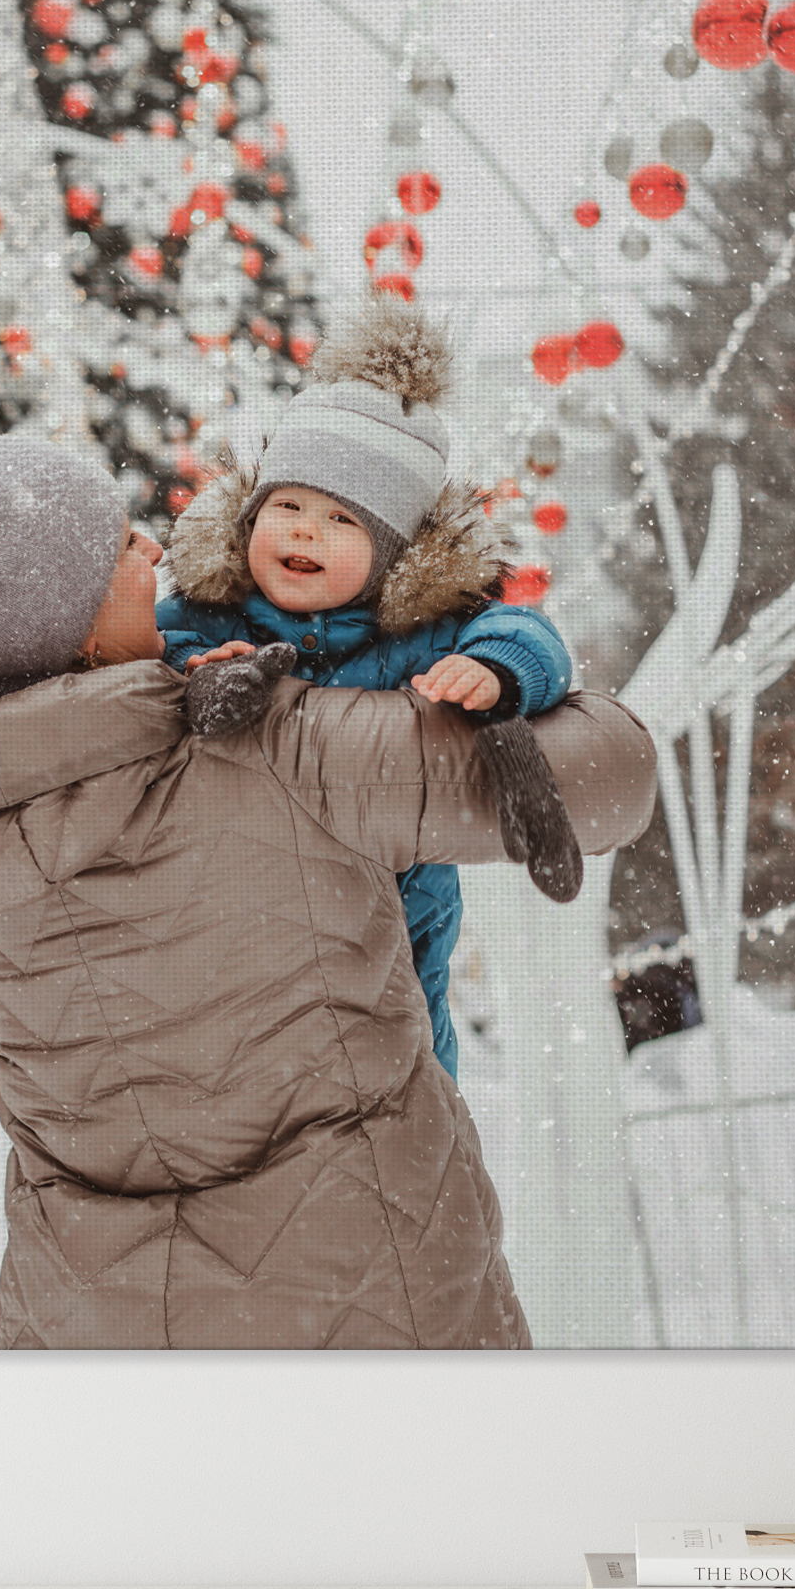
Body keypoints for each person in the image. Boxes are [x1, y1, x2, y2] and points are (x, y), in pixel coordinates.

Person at [0, 428, 657, 1349]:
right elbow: (610, 780)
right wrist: (479, 671)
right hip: (361, 1290)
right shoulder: (266, 744)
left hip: (91, 1316)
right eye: (117, 550)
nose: (153, 548)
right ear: (76, 628)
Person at [155, 310, 583, 1078]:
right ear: (252, 515)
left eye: (341, 519)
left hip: (398, 917)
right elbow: (158, 646)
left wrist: (493, 671)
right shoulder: (208, 610)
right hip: (244, 907)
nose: (305, 532)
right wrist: (197, 667)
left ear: (392, 556)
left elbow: (538, 639)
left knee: (406, 1066)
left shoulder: (419, 631)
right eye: (285, 507)